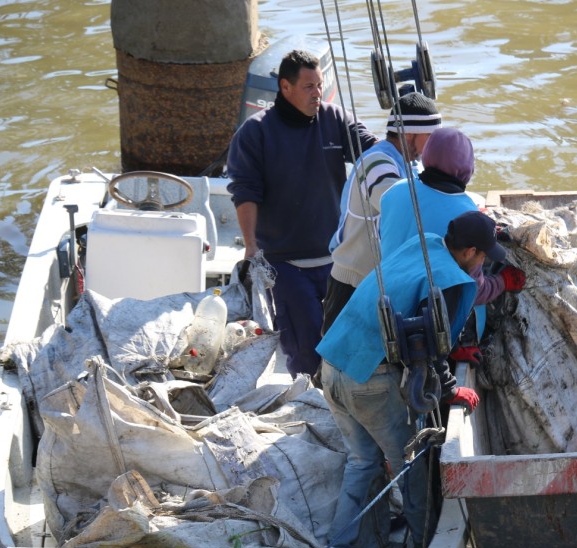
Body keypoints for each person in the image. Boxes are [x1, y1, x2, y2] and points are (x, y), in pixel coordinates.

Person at [317, 211, 506, 548]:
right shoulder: (450, 282)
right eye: (482, 255)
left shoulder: (423, 244)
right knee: (411, 463)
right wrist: (451, 392)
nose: (482, 264)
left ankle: (340, 546)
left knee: (361, 461)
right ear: (468, 252)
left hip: (332, 363)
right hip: (370, 379)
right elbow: (432, 349)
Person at [226, 49, 377, 381]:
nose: (317, 93)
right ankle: (316, 408)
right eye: (309, 87)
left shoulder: (334, 118)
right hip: (286, 266)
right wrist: (251, 248)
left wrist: (403, 146)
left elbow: (372, 150)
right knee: (306, 353)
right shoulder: (255, 133)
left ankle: (347, 407)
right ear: (285, 87)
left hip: (339, 260)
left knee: (350, 346)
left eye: (320, 85)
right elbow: (245, 191)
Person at [379, 127, 527, 347]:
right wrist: (503, 281)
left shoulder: (394, 191)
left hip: (387, 308)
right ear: (467, 167)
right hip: (432, 324)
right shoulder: (465, 215)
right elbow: (475, 292)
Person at [321, 92, 442, 336]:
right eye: (431, 137)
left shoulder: (408, 164)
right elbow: (400, 205)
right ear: (410, 134)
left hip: (376, 283)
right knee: (336, 369)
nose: (435, 145)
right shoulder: (377, 163)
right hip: (352, 285)